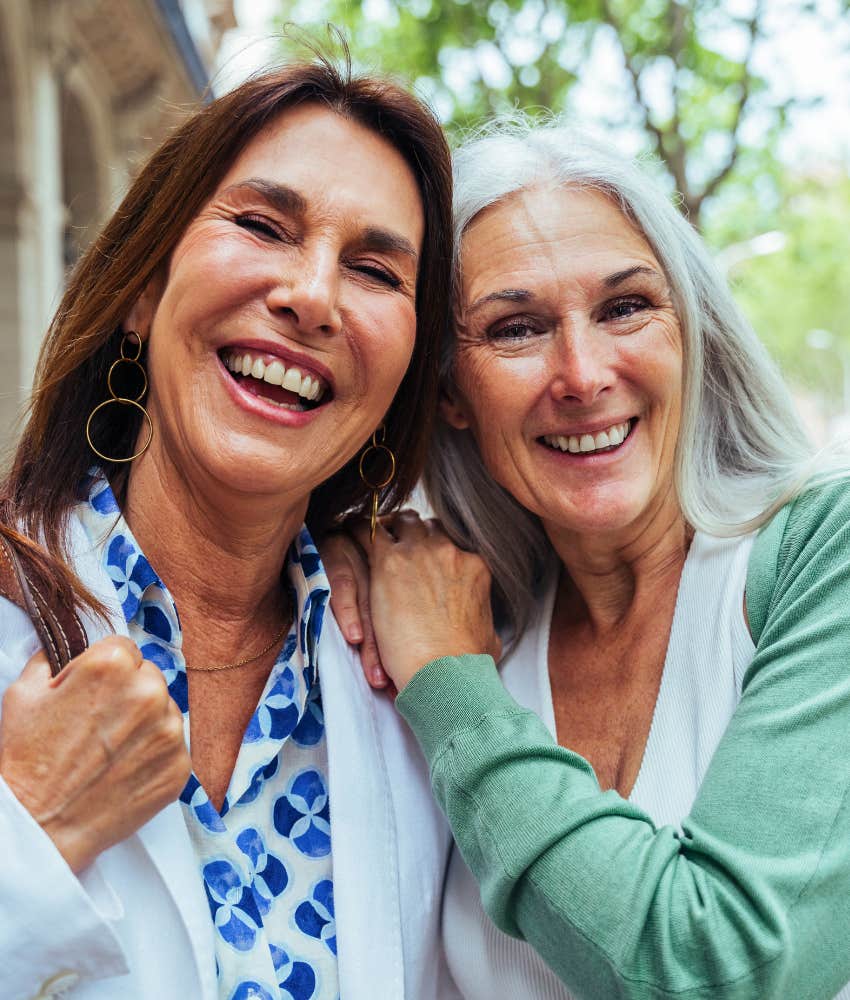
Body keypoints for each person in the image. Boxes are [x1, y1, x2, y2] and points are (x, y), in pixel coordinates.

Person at [327, 120, 850, 1000]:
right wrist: (337, 546)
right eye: (517, 328)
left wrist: (455, 686)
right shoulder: (476, 612)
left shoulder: (817, 550)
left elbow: (731, 968)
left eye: (624, 308)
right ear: (451, 392)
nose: (582, 372)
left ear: (690, 331)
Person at [0, 56, 459, 1000]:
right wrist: (24, 828)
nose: (314, 297)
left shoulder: (421, 680)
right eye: (260, 225)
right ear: (141, 291)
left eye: (375, 270)